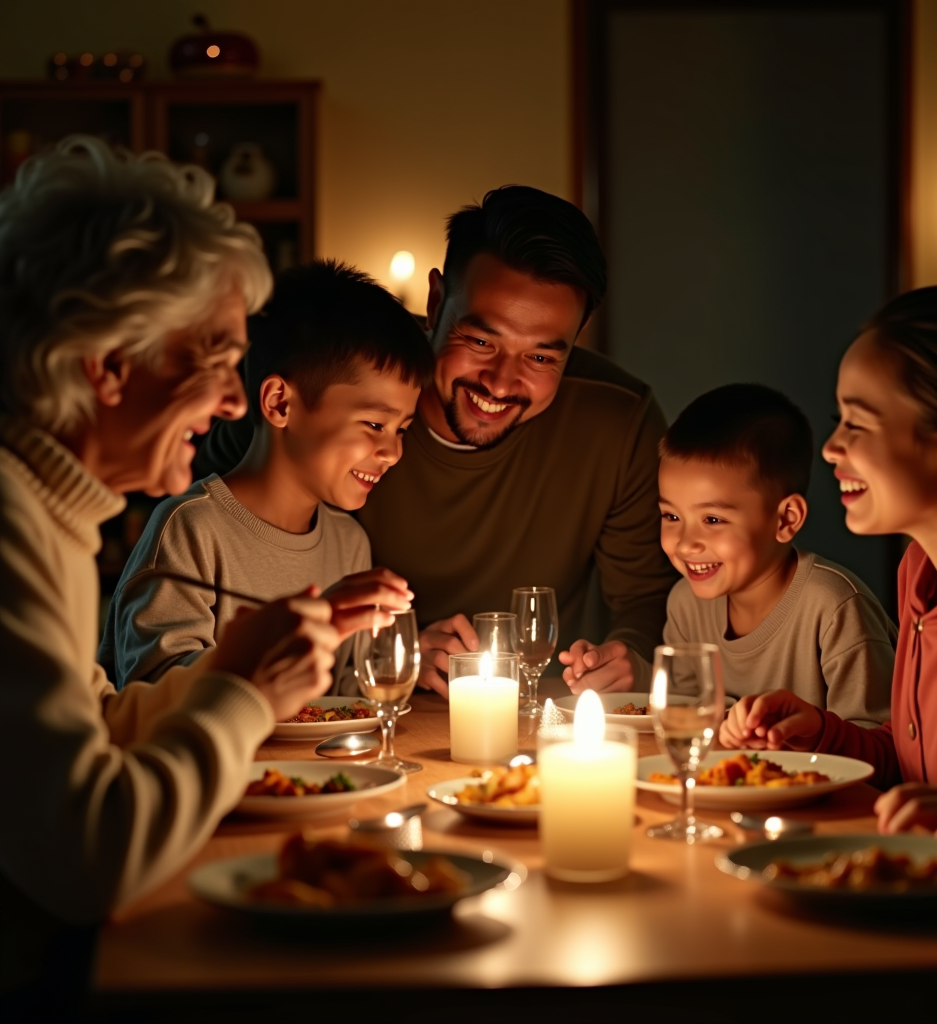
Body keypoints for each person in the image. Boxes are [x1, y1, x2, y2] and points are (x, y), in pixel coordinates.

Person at [0, 137, 393, 1003]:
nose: (230, 399)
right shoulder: (12, 525)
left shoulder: (52, 508)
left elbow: (93, 725)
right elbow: (85, 862)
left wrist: (227, 666)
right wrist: (244, 696)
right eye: (214, 359)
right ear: (108, 364)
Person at [195, 186, 678, 695]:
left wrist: (628, 659)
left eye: (540, 357)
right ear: (434, 302)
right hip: (346, 711)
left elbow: (649, 597)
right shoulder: (332, 371)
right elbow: (222, 510)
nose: (498, 382)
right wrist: (394, 654)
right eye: (481, 340)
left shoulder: (619, 418)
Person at [720, 286, 937, 845]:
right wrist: (822, 734)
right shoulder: (921, 572)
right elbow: (915, 769)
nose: (831, 448)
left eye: (857, 425)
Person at [100, 260, 431, 692]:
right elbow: (158, 691)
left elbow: (346, 694)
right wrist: (302, 633)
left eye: (401, 430)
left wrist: (406, 666)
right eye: (373, 425)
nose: (392, 451)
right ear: (279, 403)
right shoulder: (191, 529)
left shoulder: (350, 543)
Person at [567, 383, 896, 716]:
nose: (684, 542)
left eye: (712, 519)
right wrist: (636, 676)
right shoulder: (686, 604)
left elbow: (876, 743)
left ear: (785, 520)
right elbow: (681, 718)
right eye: (671, 515)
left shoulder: (835, 608)